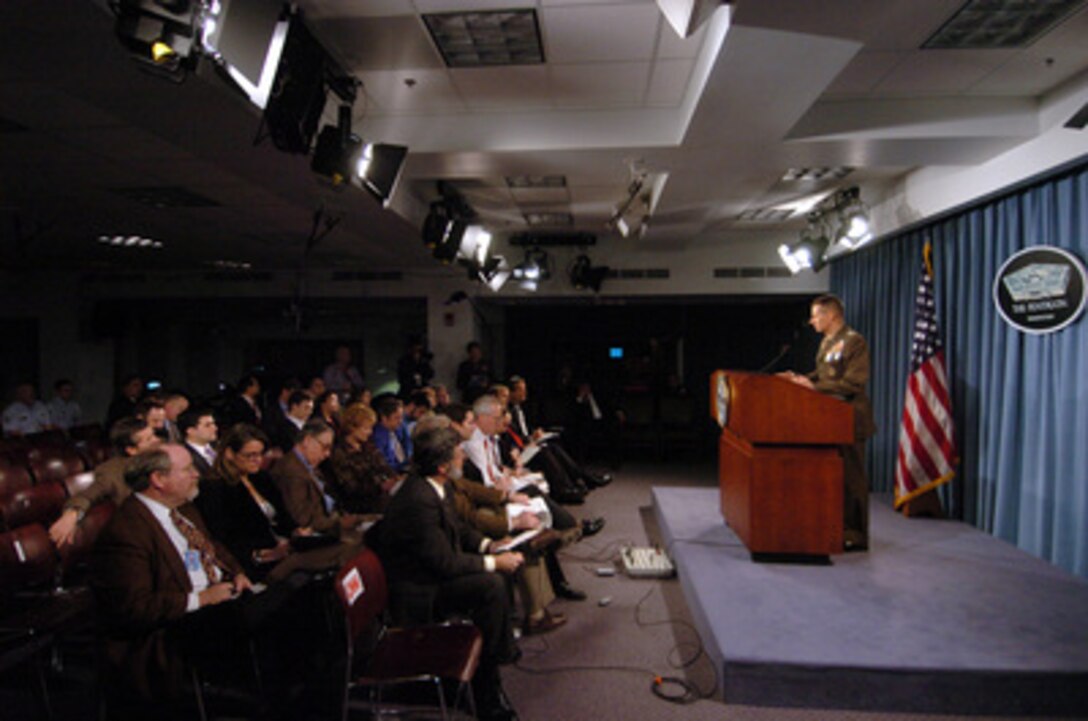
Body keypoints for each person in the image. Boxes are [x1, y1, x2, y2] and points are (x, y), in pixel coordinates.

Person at [377, 426, 523, 721]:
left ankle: (492, 663)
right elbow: (444, 563)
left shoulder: (435, 485)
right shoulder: (418, 499)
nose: (463, 460)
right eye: (458, 456)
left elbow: (459, 529)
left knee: (497, 578)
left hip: (432, 574)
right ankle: (488, 682)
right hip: (419, 592)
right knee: (492, 583)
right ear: (443, 466)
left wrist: (489, 545)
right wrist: (495, 562)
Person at [197, 424, 358, 583]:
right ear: (229, 454)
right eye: (250, 455)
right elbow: (224, 538)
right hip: (258, 560)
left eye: (260, 454)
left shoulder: (260, 477)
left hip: (286, 547)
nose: (257, 460)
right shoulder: (213, 488)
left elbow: (284, 516)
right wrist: (263, 554)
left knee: (349, 545)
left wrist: (296, 531)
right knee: (346, 550)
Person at [781, 294, 875, 551]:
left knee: (852, 478)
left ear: (830, 315)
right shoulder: (826, 343)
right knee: (834, 476)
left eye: (815, 316)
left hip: (850, 418)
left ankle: (856, 534)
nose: (811, 322)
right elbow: (823, 376)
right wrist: (801, 378)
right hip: (829, 419)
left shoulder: (854, 342)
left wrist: (813, 385)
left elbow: (854, 383)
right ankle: (837, 526)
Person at [49, 417, 160, 547]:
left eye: (154, 435)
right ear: (132, 450)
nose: (157, 441)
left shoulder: (164, 456)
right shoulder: (112, 472)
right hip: (144, 533)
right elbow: (87, 495)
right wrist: (72, 514)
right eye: (149, 440)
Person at [269, 418, 364, 543]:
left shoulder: (308, 465)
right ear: (307, 441)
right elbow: (304, 521)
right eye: (325, 447)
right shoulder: (292, 472)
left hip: (335, 520)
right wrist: (339, 523)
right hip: (322, 535)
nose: (327, 454)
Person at [324, 403, 399, 515]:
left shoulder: (368, 446)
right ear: (352, 427)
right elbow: (350, 487)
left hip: (381, 501)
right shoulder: (339, 452)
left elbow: (384, 466)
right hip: (358, 508)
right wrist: (380, 486)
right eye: (366, 428)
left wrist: (395, 479)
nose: (370, 432)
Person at [371, 395, 413, 473]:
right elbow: (386, 465)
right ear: (384, 418)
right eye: (397, 418)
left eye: (401, 417)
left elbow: (408, 444)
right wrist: (405, 464)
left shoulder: (401, 426)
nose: (400, 421)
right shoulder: (377, 438)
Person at [179, 407, 218, 479]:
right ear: (190, 431)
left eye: (214, 424)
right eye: (207, 425)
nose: (215, 428)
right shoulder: (185, 456)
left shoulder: (219, 447)